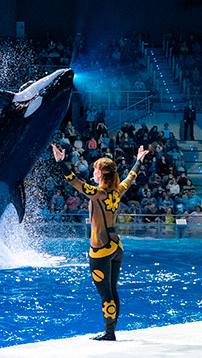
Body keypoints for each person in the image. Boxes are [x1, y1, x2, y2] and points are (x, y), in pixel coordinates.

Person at [52, 142, 149, 341]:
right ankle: (112, 330)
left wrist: (61, 162)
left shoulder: (97, 194)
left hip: (100, 250)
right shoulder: (117, 191)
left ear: (101, 174)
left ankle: (109, 334)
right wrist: (138, 161)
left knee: (106, 295)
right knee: (113, 290)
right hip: (116, 246)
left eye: (96, 170)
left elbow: (74, 181)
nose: (93, 172)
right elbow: (131, 178)